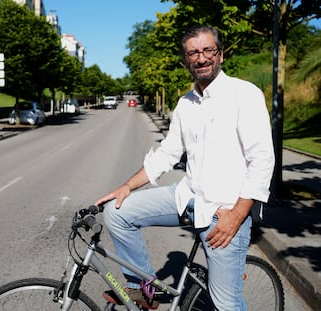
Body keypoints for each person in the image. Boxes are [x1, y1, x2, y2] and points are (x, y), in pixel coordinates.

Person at [95, 24, 275, 311]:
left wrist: (238, 215)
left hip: (225, 211)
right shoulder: (185, 104)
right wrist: (128, 186)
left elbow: (262, 159)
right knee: (117, 213)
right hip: (186, 198)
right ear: (185, 61)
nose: (201, 58)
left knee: (227, 304)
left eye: (208, 50)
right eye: (193, 53)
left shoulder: (244, 95)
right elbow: (167, 153)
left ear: (221, 55)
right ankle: (144, 292)